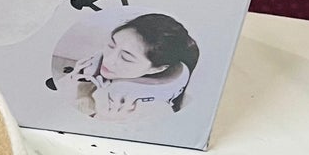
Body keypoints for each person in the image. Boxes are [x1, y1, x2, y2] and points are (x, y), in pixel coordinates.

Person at [51, 13, 199, 119]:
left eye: (126, 58)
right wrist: (74, 85)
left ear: (157, 69)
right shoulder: (90, 71)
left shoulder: (156, 112)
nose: (108, 59)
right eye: (111, 45)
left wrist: (103, 120)